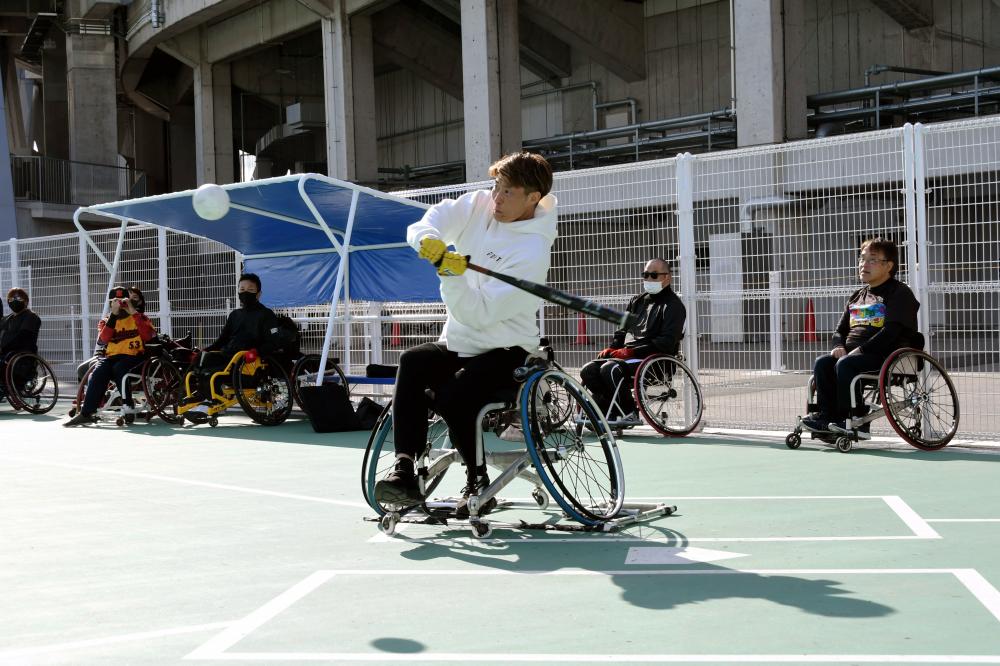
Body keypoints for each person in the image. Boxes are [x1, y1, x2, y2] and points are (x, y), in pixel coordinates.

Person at [374, 151, 557, 516]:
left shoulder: (532, 251)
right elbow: (431, 221)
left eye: (507, 192)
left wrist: (449, 274)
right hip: (460, 342)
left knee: (452, 394)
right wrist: (428, 240)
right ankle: (405, 471)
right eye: (496, 187)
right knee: (412, 361)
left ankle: (477, 480)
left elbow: (479, 314)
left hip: (508, 350)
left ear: (532, 198)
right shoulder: (481, 206)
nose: (496, 199)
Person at [801, 237, 920, 438]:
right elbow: (840, 330)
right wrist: (838, 345)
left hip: (885, 356)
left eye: (872, 259)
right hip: (854, 356)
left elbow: (891, 332)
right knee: (823, 362)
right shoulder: (858, 295)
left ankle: (854, 420)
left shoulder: (900, 293)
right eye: (862, 259)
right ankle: (826, 417)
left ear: (888, 265)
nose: (864, 264)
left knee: (845, 365)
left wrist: (861, 350)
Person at [580, 258, 686, 421]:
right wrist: (613, 348)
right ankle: (608, 408)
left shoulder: (674, 306)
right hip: (627, 356)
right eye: (645, 275)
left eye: (653, 275)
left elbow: (666, 342)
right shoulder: (636, 301)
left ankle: (629, 412)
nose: (648, 279)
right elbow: (622, 329)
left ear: (667, 277)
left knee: (611, 369)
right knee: (589, 370)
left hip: (654, 360)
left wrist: (631, 351)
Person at [183, 273, 283, 422]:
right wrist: (205, 350)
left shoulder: (266, 315)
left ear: (258, 294)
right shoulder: (235, 315)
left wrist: (256, 351)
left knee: (214, 372)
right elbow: (222, 340)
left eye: (250, 289)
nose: (245, 293)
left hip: (249, 362)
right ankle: (204, 397)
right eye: (242, 289)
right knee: (201, 362)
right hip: (229, 355)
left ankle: (213, 401)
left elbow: (274, 342)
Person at [64, 286, 156, 426]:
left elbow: (148, 336)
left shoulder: (139, 317)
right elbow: (102, 341)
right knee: (99, 370)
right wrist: (113, 314)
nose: (119, 303)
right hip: (112, 357)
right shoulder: (106, 320)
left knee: (120, 367)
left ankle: (128, 406)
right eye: (115, 301)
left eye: (123, 300)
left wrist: (131, 310)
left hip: (136, 357)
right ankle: (87, 413)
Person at [0, 288, 42, 358]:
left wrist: (3, 348)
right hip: (5, 354)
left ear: (26, 301)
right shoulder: (6, 319)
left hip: (21, 357)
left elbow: (23, 337)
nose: (14, 301)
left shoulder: (31, 316)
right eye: (11, 299)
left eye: (19, 298)